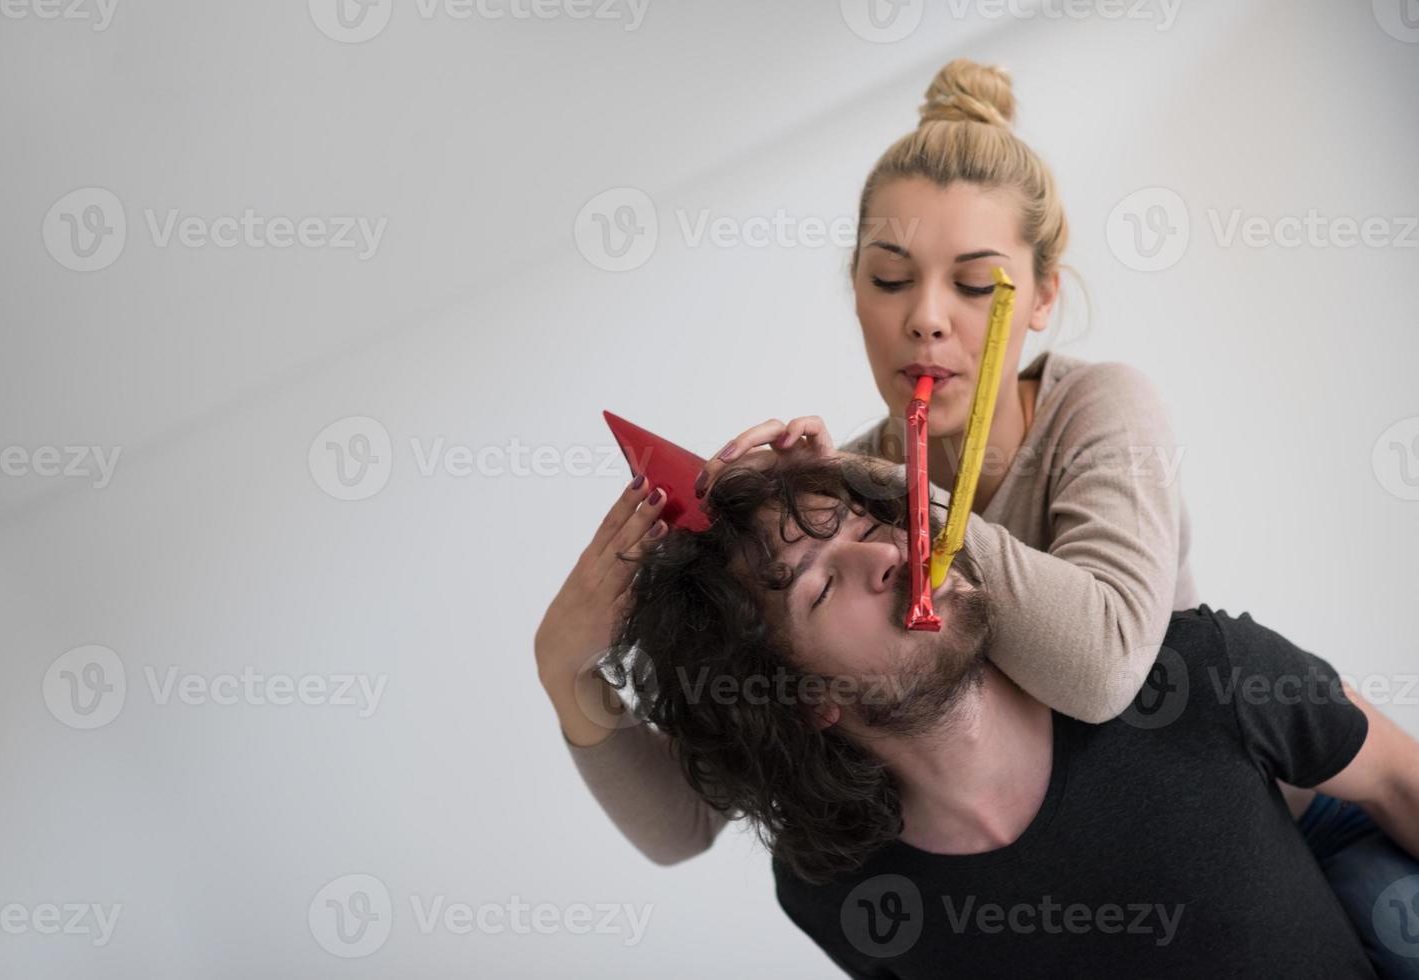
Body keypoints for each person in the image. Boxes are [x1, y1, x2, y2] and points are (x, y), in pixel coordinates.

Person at [533, 58, 1419, 971]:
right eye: (888, 281)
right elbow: (685, 826)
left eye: (973, 286)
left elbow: (1102, 671)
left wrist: (874, 487)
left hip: (1284, 814)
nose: (925, 319)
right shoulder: (848, 512)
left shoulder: (1090, 411)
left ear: (1040, 299)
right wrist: (566, 672)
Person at [594, 454, 1419, 977]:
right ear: (806, 699)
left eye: (868, 523)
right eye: (819, 583)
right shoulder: (832, 893)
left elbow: (1400, 783)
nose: (888, 555)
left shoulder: (1201, 670)